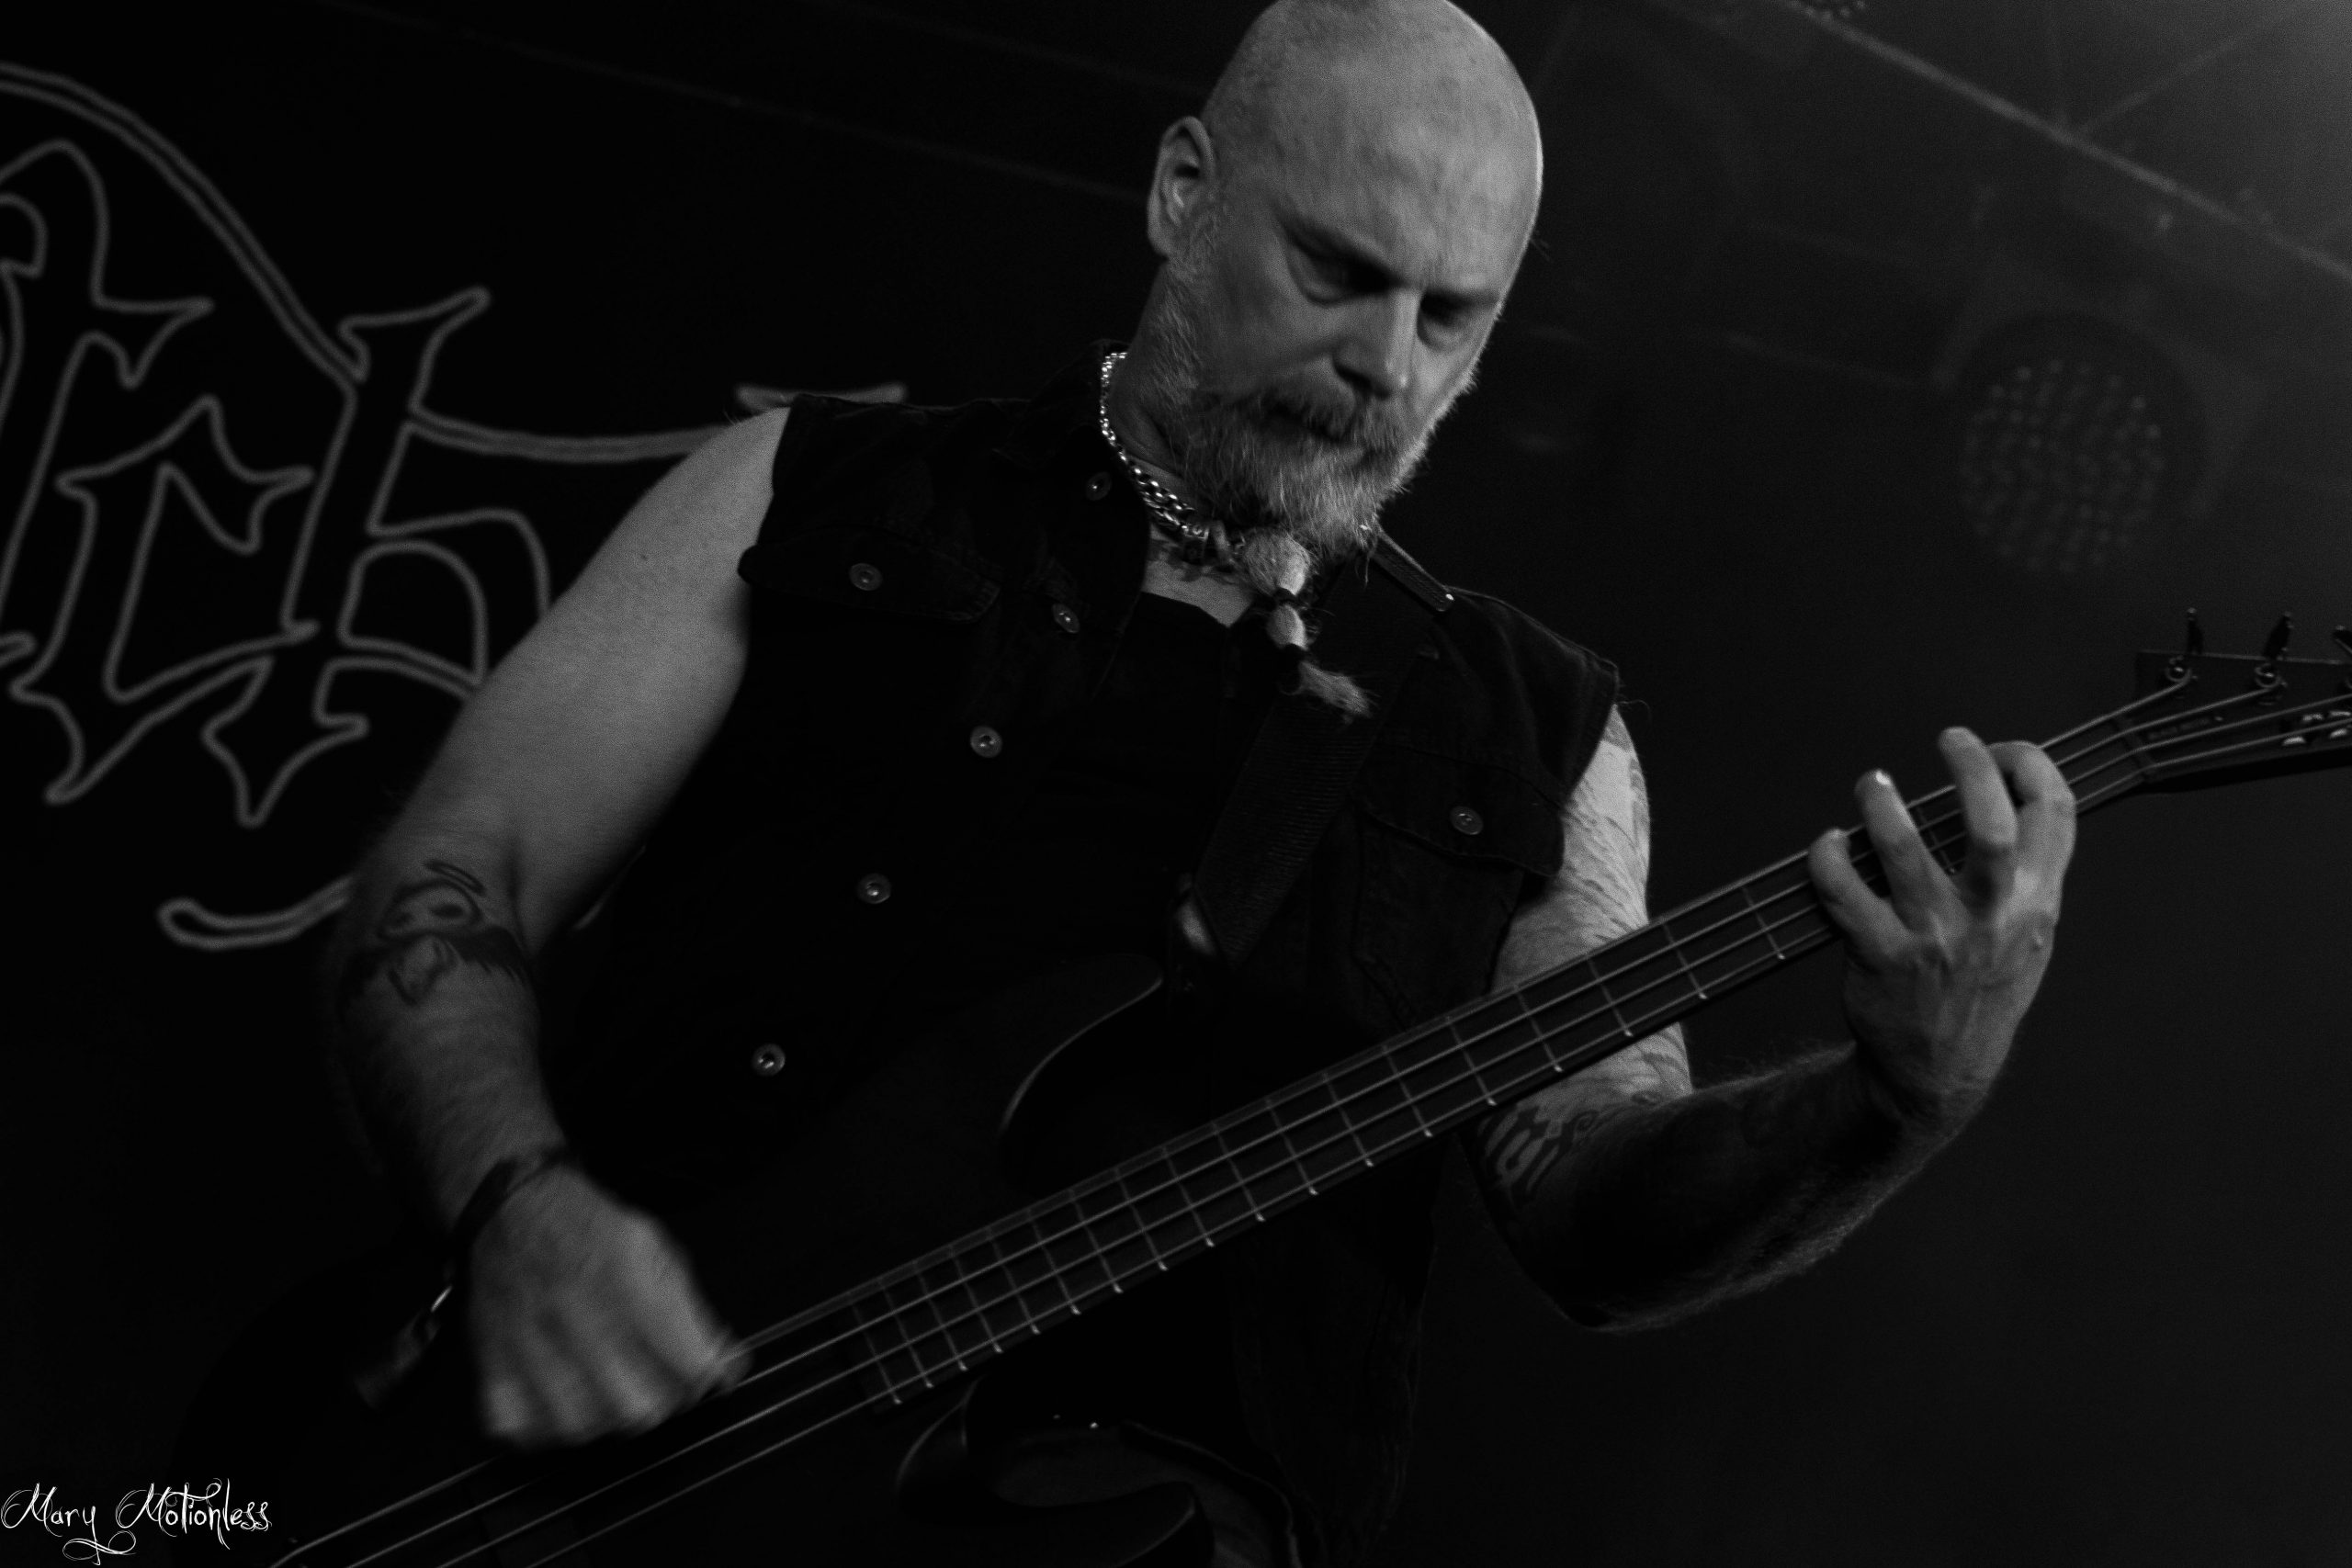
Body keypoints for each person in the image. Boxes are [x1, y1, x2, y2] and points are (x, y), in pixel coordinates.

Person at [321, 2, 2076, 1563]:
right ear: (1185, 194)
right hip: (544, 1477)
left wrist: (1888, 1105)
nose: (1390, 364)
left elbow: (1594, 1211)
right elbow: (455, 875)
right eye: (1339, 271)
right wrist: (512, 1202)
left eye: (1452, 315)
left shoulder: (1536, 733)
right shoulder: (816, 491)